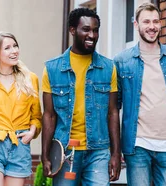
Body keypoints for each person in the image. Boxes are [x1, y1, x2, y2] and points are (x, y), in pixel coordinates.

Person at [113, 2, 166, 186]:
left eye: (155, 21)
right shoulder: (122, 61)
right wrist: (114, 148)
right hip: (137, 145)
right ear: (136, 25)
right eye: (146, 22)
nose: (151, 27)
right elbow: (113, 107)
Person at [41, 8, 121, 185]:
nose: (92, 35)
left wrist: (116, 153)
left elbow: (112, 113)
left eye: (95, 30)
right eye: (86, 29)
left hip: (98, 152)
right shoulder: (52, 69)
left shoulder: (109, 68)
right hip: (65, 152)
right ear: (72, 30)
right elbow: (49, 115)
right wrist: (45, 154)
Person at [0, 32, 42, 186]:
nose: (14, 51)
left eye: (15, 46)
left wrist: (31, 132)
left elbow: (36, 116)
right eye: (8, 48)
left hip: (19, 147)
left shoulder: (30, 79)